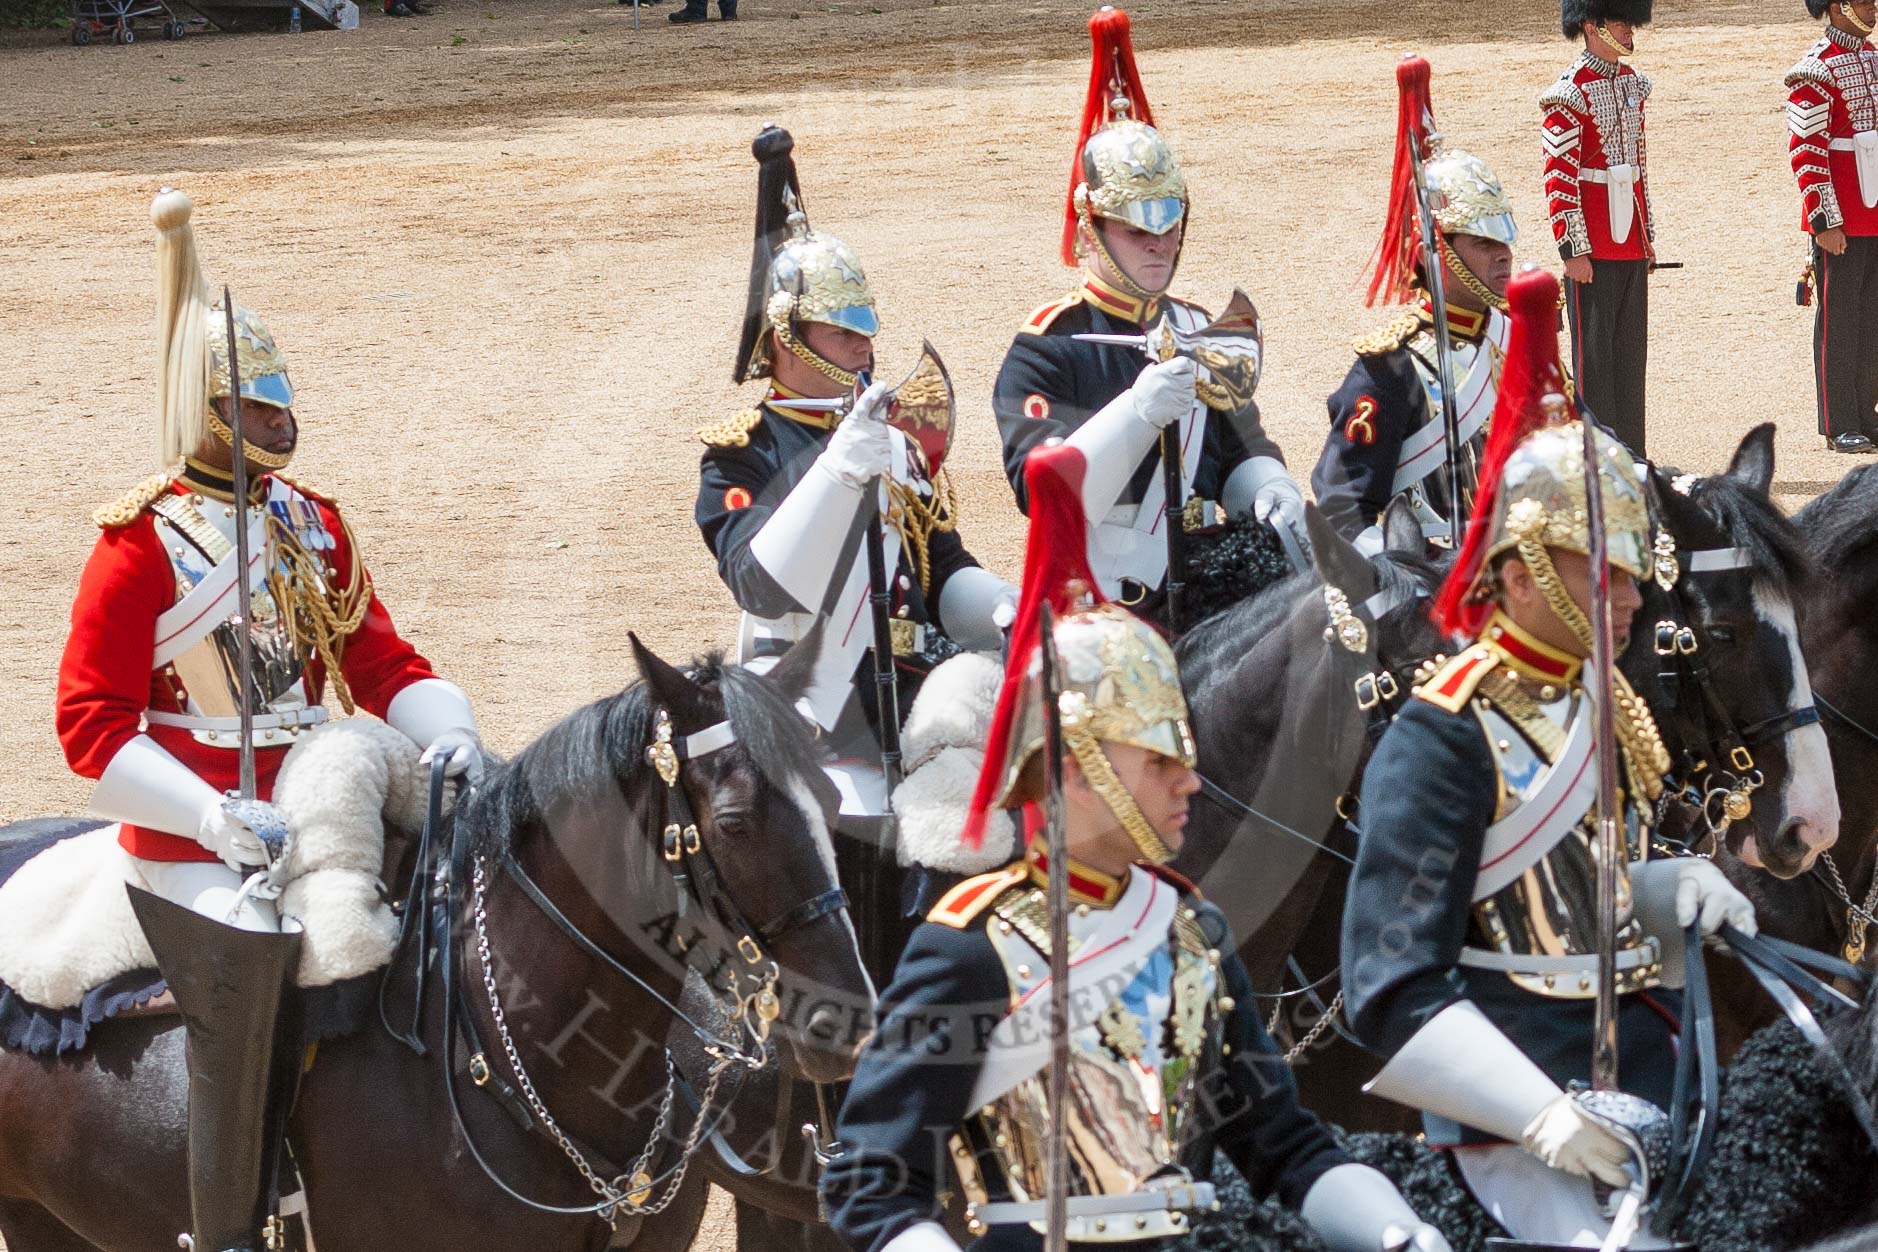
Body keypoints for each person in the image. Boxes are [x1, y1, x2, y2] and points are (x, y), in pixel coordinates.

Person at [820, 440, 1456, 1252]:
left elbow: (1286, 1150)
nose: (1189, 782)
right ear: (1077, 772)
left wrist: (1395, 1230)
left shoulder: (1194, 936)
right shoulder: (969, 953)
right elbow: (874, 1178)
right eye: (1160, 761)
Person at [56, 188, 484, 1252]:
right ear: (205, 412)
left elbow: (376, 658)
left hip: (324, 791)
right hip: (198, 830)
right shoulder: (139, 546)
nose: (280, 415)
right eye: (254, 404)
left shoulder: (312, 522)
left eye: (279, 395)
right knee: (254, 959)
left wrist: (453, 728)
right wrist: (208, 819)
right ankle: (234, 1216)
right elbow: (92, 728)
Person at [1340, 268, 1758, 1249]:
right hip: (1516, 1129)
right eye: (1593, 565)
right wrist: (1535, 1115)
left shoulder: (1597, 700)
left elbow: (1570, 900)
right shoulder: (1444, 729)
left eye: (1626, 568)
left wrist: (1668, 888)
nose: (1623, 593)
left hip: (1645, 1082)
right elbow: (1390, 986)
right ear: (1519, 573)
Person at [696, 125, 1013, 823]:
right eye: (843, 332)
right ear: (787, 336)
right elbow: (760, 584)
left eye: (866, 328)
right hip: (808, 718)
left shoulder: (891, 431)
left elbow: (939, 565)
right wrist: (839, 472)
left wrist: (1001, 606)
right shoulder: (741, 453)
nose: (865, 346)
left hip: (914, 696)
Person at [991, 6, 1304, 626]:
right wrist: (1136, 415)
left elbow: (1243, 445)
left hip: (1212, 580)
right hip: (1107, 601)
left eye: (1168, 223)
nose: (1158, 242)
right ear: (1092, 228)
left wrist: (1270, 490)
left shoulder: (1198, 326)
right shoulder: (1046, 348)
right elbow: (1044, 494)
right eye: (1137, 229)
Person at [1313, 54, 1517, 554]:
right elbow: (1342, 507)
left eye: (1502, 239)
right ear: (1433, 253)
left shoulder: (1516, 337)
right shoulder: (1391, 367)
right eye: (1482, 242)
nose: (1503, 255)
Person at [1542, 0, 1655, 455]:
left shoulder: (1631, 84)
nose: (1630, 29)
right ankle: (1598, 453)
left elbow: (1639, 168)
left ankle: (1632, 451)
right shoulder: (1568, 93)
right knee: (1595, 361)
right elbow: (1559, 177)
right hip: (1592, 244)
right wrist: (1573, 250)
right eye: (1620, 20)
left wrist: (1647, 238)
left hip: (1628, 240)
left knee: (1630, 357)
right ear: (1592, 26)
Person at [1788, 0, 1878, 453]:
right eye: (1863, 0)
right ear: (1839, 7)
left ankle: (1867, 412)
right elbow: (1806, 151)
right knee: (1840, 323)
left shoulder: (1875, 60)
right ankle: (1838, 420)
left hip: (1876, 213)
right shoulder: (1815, 70)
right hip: (1841, 218)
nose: (1873, 6)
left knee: (1871, 321)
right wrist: (1824, 220)